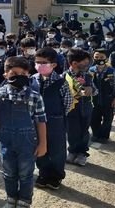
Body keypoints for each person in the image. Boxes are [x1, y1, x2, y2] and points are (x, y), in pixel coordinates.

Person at [0, 56, 47, 208]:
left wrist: (43, 143)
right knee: (9, 172)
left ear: (28, 75)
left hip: (27, 142)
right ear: (5, 75)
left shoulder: (35, 96)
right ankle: (11, 198)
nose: (18, 78)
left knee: (26, 173)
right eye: (13, 74)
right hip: (5, 140)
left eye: (22, 74)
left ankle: (25, 200)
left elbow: (41, 122)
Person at [31, 48, 73, 190]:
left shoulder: (61, 82)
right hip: (36, 123)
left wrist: (58, 116)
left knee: (57, 151)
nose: (40, 65)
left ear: (53, 64)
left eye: (44, 63)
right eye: (37, 62)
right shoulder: (32, 80)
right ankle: (43, 173)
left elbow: (67, 103)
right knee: (40, 149)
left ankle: (56, 176)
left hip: (56, 122)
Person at [64, 48, 95, 166]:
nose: (88, 65)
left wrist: (91, 89)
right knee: (72, 131)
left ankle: (82, 153)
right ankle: (72, 151)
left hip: (86, 108)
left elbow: (95, 90)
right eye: (85, 62)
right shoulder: (64, 76)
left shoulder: (88, 76)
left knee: (84, 132)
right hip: (71, 110)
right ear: (74, 63)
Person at [89, 49, 115, 143]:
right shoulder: (90, 70)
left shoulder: (112, 71)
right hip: (94, 100)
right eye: (96, 57)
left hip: (108, 99)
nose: (99, 59)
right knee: (94, 119)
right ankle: (96, 134)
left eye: (102, 57)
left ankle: (104, 136)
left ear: (106, 58)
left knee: (107, 120)